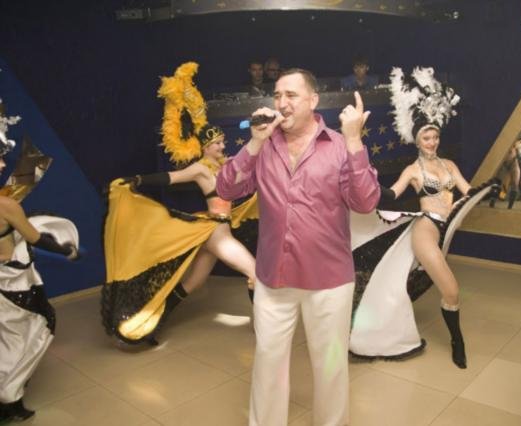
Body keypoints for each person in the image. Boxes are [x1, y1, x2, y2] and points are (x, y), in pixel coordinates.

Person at [216, 68, 380, 426]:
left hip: (329, 280)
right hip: (274, 278)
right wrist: (254, 143)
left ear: (313, 100)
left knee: (331, 365)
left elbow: (366, 202)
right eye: (277, 95)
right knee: (267, 364)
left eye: (291, 95)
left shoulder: (339, 146)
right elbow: (226, 188)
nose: (282, 103)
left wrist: (355, 141)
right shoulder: (264, 146)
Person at [101, 62, 258, 345]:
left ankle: (150, 324)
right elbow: (170, 178)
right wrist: (137, 179)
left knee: (193, 283)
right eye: (217, 144)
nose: (222, 147)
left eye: (223, 142)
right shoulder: (200, 169)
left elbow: (249, 161)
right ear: (205, 147)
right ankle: (265, 326)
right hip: (215, 233)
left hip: (218, 230)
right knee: (255, 272)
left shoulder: (226, 166)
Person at [349, 66, 495, 369]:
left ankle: (453, 337)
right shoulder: (413, 171)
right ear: (417, 141)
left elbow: (468, 191)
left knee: (444, 290)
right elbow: (391, 194)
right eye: (426, 137)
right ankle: (457, 341)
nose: (432, 142)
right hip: (425, 228)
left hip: (446, 227)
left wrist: (489, 188)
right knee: (451, 290)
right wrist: (366, 182)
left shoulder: (450, 165)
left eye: (435, 136)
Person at [0, 123, 80, 422]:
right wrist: (65, 249)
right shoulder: (6, 205)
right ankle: (10, 396)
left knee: (8, 338)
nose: (3, 164)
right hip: (13, 284)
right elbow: (35, 238)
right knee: (40, 325)